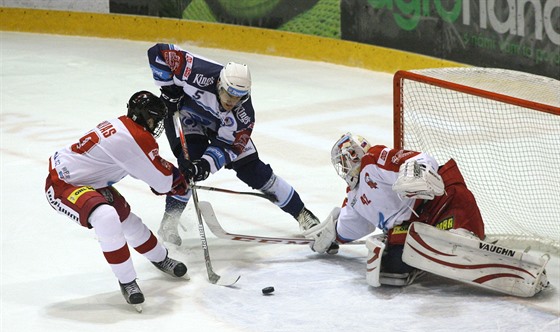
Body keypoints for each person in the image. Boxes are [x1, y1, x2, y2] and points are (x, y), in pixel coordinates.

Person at [147, 43, 320, 246]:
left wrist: (205, 165)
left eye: (238, 97)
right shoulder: (197, 72)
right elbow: (158, 52)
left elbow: (228, 146)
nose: (232, 101)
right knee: (187, 168)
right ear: (219, 84)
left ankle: (302, 214)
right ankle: (169, 222)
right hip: (187, 116)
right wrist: (169, 89)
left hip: (219, 127)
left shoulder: (244, 115)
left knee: (256, 172)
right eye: (229, 94)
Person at [45, 91, 189, 311]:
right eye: (156, 119)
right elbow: (161, 183)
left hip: (89, 181)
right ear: (146, 117)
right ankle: (127, 281)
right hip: (63, 185)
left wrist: (168, 177)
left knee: (126, 220)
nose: (157, 124)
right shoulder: (137, 138)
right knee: (106, 217)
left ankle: (161, 258)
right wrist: (176, 179)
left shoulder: (123, 125)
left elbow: (136, 164)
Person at [309, 132, 486, 286]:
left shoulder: (374, 159)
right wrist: (331, 235)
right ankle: (424, 256)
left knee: (457, 209)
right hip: (413, 226)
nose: (345, 165)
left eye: (346, 159)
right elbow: (351, 228)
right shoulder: (353, 197)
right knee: (391, 270)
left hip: (441, 203)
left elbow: (422, 159)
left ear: (356, 154)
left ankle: (462, 236)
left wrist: (415, 175)